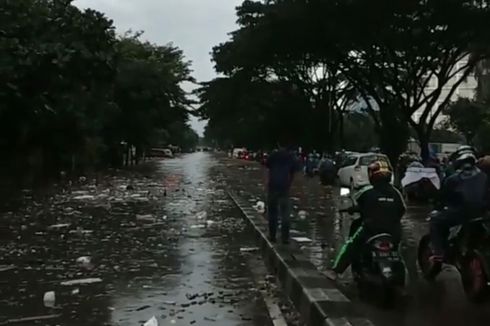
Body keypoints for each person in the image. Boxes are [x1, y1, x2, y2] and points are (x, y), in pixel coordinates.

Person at [326, 161, 406, 280]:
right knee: (396, 251)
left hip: (371, 229)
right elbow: (402, 210)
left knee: (351, 245)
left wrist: (351, 209)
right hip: (393, 231)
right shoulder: (396, 193)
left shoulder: (367, 191)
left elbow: (358, 205)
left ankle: (336, 271)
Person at [428, 146, 488, 273]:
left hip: (462, 214)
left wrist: (437, 207)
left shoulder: (453, 179)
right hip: (483, 214)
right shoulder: (485, 176)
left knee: (435, 220)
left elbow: (441, 199)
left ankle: (438, 254)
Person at [265, 143, 300, 244]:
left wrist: (267, 183)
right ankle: (285, 238)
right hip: (285, 187)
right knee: (285, 214)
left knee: (272, 213)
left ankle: (272, 236)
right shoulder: (291, 157)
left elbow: (267, 169)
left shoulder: (273, 155)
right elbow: (294, 173)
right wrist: (291, 185)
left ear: (278, 144)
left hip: (273, 186)